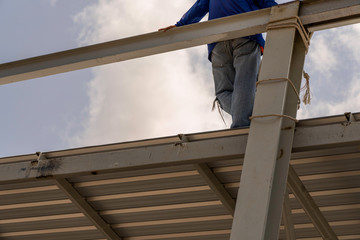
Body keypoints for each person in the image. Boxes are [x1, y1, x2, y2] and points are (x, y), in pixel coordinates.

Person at [159, 0, 278, 128]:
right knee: (245, 84)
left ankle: (245, 115)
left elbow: (200, 6)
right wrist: (291, 13)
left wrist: (181, 25)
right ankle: (242, 124)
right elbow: (268, 4)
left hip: (217, 43)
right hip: (246, 36)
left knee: (223, 92)